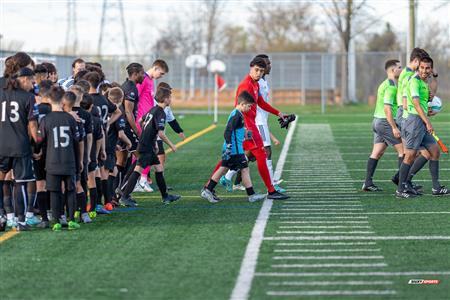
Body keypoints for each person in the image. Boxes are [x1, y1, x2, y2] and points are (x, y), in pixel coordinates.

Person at [213, 57, 289, 200]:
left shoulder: (255, 84)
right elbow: (239, 108)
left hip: (250, 126)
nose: (259, 73)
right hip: (248, 128)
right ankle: (271, 190)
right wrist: (245, 128)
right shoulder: (246, 85)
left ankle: (210, 187)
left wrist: (278, 113)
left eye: (261, 71)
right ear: (250, 68)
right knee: (260, 154)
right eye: (256, 70)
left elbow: (261, 103)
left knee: (231, 158)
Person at [116, 83, 180, 206]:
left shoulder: (153, 109)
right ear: (165, 99)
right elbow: (161, 133)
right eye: (170, 97)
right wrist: (172, 145)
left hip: (147, 144)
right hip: (146, 146)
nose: (171, 100)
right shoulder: (161, 112)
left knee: (159, 169)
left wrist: (149, 135)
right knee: (138, 170)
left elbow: (140, 120)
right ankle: (124, 196)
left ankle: (166, 196)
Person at [397, 56, 449, 198]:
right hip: (414, 122)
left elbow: (424, 101)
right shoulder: (414, 81)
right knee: (410, 155)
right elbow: (415, 104)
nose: (424, 71)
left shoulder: (424, 82)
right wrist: (427, 122)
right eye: (422, 68)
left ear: (431, 69)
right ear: (418, 67)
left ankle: (436, 188)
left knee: (434, 151)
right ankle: (401, 189)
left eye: (427, 68)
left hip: (421, 120)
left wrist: (429, 105)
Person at [202, 91, 266, 203]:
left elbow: (235, 131)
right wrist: (229, 145)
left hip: (233, 149)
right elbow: (228, 131)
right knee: (244, 169)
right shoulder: (236, 115)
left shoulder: (237, 114)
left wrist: (245, 133)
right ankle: (251, 195)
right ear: (242, 104)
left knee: (222, 169)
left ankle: (208, 190)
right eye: (249, 106)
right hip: (235, 150)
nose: (250, 108)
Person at [0, 67, 39, 231]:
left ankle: (3, 216)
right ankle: (21, 221)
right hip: (20, 145)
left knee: (2, 180)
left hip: (1, 145)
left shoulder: (1, 93)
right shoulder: (28, 97)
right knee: (20, 183)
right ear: (23, 79)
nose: (33, 84)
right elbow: (32, 125)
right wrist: (37, 144)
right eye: (32, 80)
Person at [37, 86, 81, 231]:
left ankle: (55, 221)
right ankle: (71, 219)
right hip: (69, 160)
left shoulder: (46, 119)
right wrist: (79, 160)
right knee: (70, 190)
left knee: (55, 191)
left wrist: (36, 151)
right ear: (63, 100)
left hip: (52, 161)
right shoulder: (70, 118)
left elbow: (40, 140)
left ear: (49, 100)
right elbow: (76, 141)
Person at [362, 59, 403, 191]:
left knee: (377, 152)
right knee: (404, 151)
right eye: (399, 67)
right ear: (393, 70)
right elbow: (387, 109)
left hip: (377, 121)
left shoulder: (385, 84)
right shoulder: (390, 86)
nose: (401, 70)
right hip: (385, 122)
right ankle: (403, 183)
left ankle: (367, 183)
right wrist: (394, 127)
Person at [135, 59, 169, 192]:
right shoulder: (143, 79)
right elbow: (135, 99)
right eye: (161, 73)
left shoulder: (150, 81)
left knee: (147, 151)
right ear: (155, 68)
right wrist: (139, 119)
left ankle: (140, 180)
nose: (161, 76)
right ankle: (140, 181)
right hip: (142, 121)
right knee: (144, 152)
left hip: (148, 121)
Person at [103, 87, 131, 207]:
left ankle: (109, 198)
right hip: (108, 147)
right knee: (109, 173)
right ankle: (108, 200)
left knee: (112, 171)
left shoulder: (104, 109)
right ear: (121, 99)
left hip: (103, 144)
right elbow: (120, 134)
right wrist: (129, 143)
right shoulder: (117, 112)